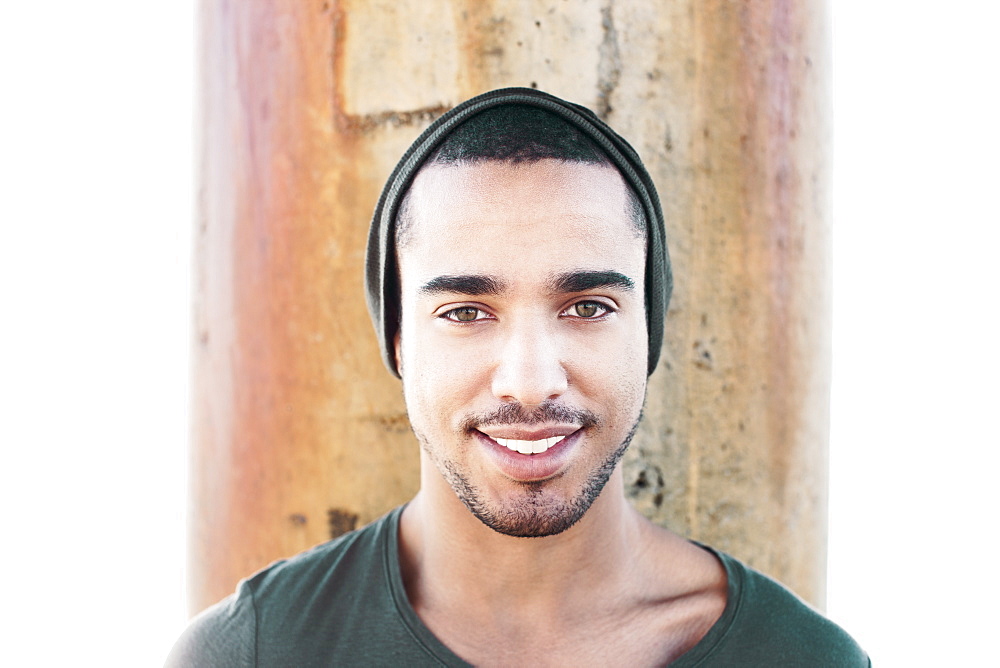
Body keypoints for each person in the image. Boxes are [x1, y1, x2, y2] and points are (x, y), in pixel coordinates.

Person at [167, 88, 868, 666]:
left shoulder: (799, 657)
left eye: (588, 307)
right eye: (468, 311)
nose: (530, 383)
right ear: (399, 338)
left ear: (648, 328)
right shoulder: (256, 652)